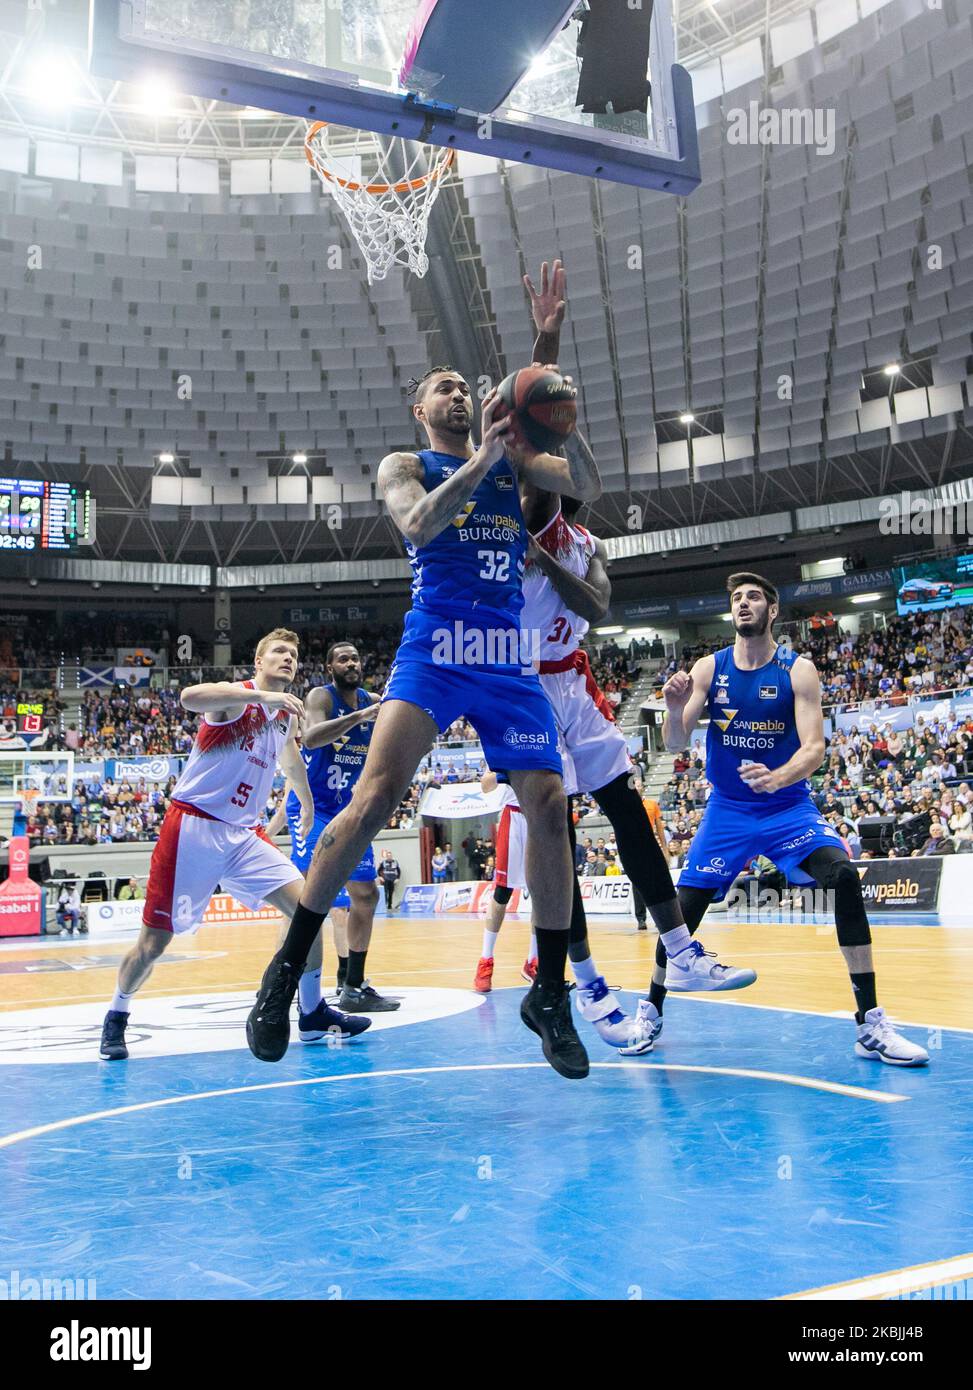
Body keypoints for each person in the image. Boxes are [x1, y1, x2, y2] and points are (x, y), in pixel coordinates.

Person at [247, 353, 604, 1079]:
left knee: (548, 802)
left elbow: (588, 485)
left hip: (504, 651)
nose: (460, 395)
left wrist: (565, 419)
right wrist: (482, 461)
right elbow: (416, 524)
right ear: (420, 409)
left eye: (467, 389)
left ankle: (549, 996)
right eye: (444, 388)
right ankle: (285, 971)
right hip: (436, 639)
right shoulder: (405, 463)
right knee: (373, 798)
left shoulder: (520, 462)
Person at [518, 259, 753, 1057]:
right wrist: (545, 339)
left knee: (628, 816)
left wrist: (557, 564)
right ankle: (586, 985)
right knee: (556, 843)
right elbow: (535, 425)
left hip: (574, 689)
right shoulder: (534, 513)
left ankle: (680, 951)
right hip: (520, 695)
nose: (565, 465)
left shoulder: (584, 541)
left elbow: (595, 606)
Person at [656, 573, 928, 1066]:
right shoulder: (707, 669)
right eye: (736, 598)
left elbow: (815, 749)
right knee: (682, 909)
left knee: (843, 876)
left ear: (772, 609)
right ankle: (649, 1013)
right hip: (729, 810)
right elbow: (676, 742)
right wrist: (674, 711)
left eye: (753, 596)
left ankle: (870, 1025)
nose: (743, 604)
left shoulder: (797, 670)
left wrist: (778, 777)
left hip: (787, 807)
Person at [99, 630, 370, 1060]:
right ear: (258, 661)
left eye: (294, 655)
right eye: (279, 652)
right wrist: (264, 698)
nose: (288, 659)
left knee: (310, 910)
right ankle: (117, 1014)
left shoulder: (286, 715)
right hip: (193, 828)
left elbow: (289, 760)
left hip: (244, 835)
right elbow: (190, 696)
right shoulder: (235, 698)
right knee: (154, 943)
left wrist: (305, 797)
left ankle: (314, 1010)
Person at [269, 641, 392, 1017]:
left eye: (355, 657)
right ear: (330, 666)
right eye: (343, 659)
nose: (351, 663)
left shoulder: (372, 700)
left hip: (347, 808)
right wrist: (361, 717)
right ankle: (283, 980)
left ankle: (352, 984)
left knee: (366, 895)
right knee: (304, 899)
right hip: (314, 807)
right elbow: (312, 736)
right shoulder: (321, 696)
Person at [473, 770, 537, 992]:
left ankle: (533, 961)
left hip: (540, 815)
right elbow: (485, 785)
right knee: (502, 893)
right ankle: (485, 960)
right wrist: (507, 770)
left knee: (542, 894)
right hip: (515, 817)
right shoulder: (508, 741)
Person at [633, 794, 667, 929]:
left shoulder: (652, 804)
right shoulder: (627, 803)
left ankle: (660, 919)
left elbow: (659, 827)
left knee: (657, 880)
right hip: (633, 846)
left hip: (650, 843)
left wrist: (665, 848)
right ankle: (641, 918)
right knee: (636, 884)